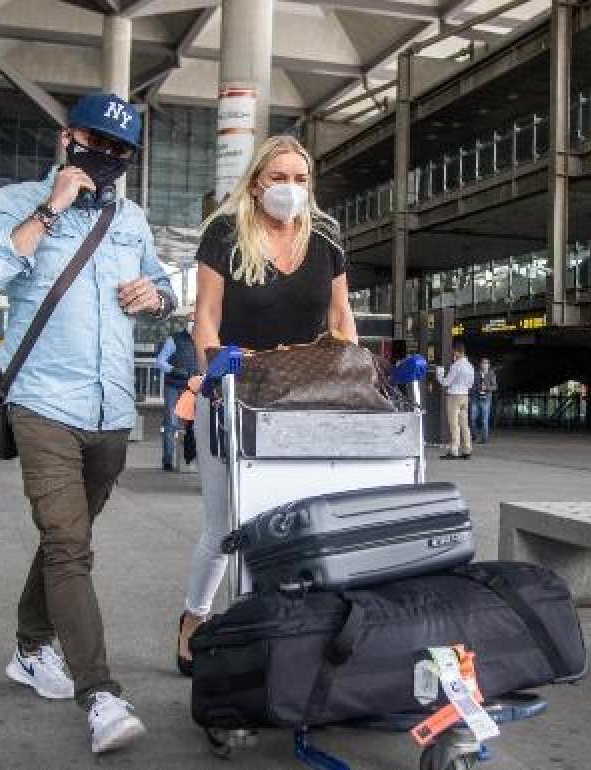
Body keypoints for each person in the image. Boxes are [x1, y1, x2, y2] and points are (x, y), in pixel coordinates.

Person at [0, 91, 175, 755]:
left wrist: (158, 296)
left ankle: (31, 647)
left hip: (112, 409)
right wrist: (51, 207)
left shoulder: (132, 218)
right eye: (97, 142)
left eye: (121, 150)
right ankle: (102, 695)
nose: (107, 157)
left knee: (68, 536)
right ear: (69, 138)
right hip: (42, 405)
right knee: (68, 543)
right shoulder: (13, 201)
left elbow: (161, 287)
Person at [175, 135, 357, 674]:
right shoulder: (225, 235)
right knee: (227, 521)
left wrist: (353, 375)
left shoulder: (325, 236)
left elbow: (340, 317)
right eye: (279, 178)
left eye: (300, 180)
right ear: (257, 184)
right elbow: (205, 314)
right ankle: (194, 617)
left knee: (302, 515)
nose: (290, 189)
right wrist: (213, 375)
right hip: (235, 386)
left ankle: (287, 626)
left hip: (303, 392)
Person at [156, 310, 199, 471]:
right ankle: (168, 460)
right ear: (185, 324)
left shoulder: (202, 340)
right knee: (171, 424)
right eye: (191, 322)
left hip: (192, 389)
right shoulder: (174, 340)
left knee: (193, 425)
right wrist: (174, 370)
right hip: (173, 386)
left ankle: (190, 459)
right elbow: (160, 361)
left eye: (196, 322)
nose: (193, 325)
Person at [436, 342, 475, 460]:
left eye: (454, 352)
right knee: (464, 424)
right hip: (465, 396)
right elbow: (471, 384)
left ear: (458, 352)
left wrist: (439, 374)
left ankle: (454, 450)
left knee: (454, 424)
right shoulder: (470, 366)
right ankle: (467, 449)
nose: (453, 354)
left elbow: (446, 382)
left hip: (454, 396)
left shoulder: (456, 366)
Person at [470, 357, 498, 444]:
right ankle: (474, 436)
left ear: (488, 365)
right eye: (483, 363)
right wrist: (475, 389)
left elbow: (495, 386)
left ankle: (484, 439)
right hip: (476, 398)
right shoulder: (476, 373)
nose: (484, 365)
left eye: (486, 363)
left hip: (486, 400)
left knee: (484, 420)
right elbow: (472, 386)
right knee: (472, 418)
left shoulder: (491, 374)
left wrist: (487, 387)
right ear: (481, 364)